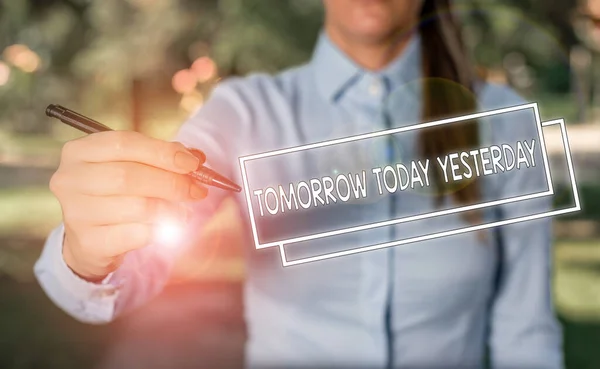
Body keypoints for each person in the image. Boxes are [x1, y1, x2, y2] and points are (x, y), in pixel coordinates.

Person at [34, 0, 563, 368]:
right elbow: (130, 273)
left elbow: (527, 332)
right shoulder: (245, 112)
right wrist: (87, 253)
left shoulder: (507, 123)